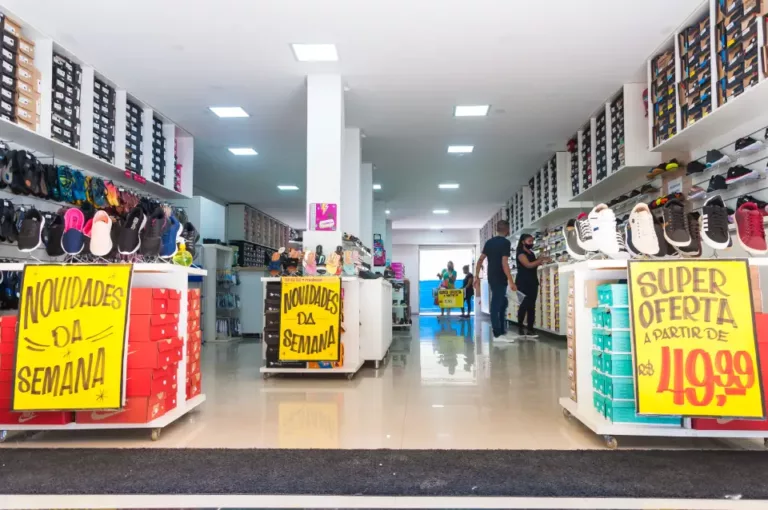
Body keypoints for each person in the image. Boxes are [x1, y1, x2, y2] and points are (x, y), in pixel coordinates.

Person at [474, 220, 517, 341]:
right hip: (500, 276)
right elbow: (504, 263)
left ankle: (502, 331)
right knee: (496, 304)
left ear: (496, 229)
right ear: (508, 230)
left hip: (492, 276)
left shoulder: (489, 242)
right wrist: (511, 281)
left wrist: (476, 276)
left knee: (503, 303)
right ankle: (497, 334)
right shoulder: (505, 243)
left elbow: (480, 260)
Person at [515, 233, 551, 338]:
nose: (531, 243)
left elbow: (533, 263)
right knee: (524, 305)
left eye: (532, 241)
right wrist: (540, 260)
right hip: (523, 282)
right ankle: (520, 327)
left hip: (532, 281)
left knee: (532, 306)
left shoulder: (531, 252)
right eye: (529, 241)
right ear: (523, 242)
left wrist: (541, 259)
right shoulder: (520, 253)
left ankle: (530, 329)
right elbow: (528, 265)